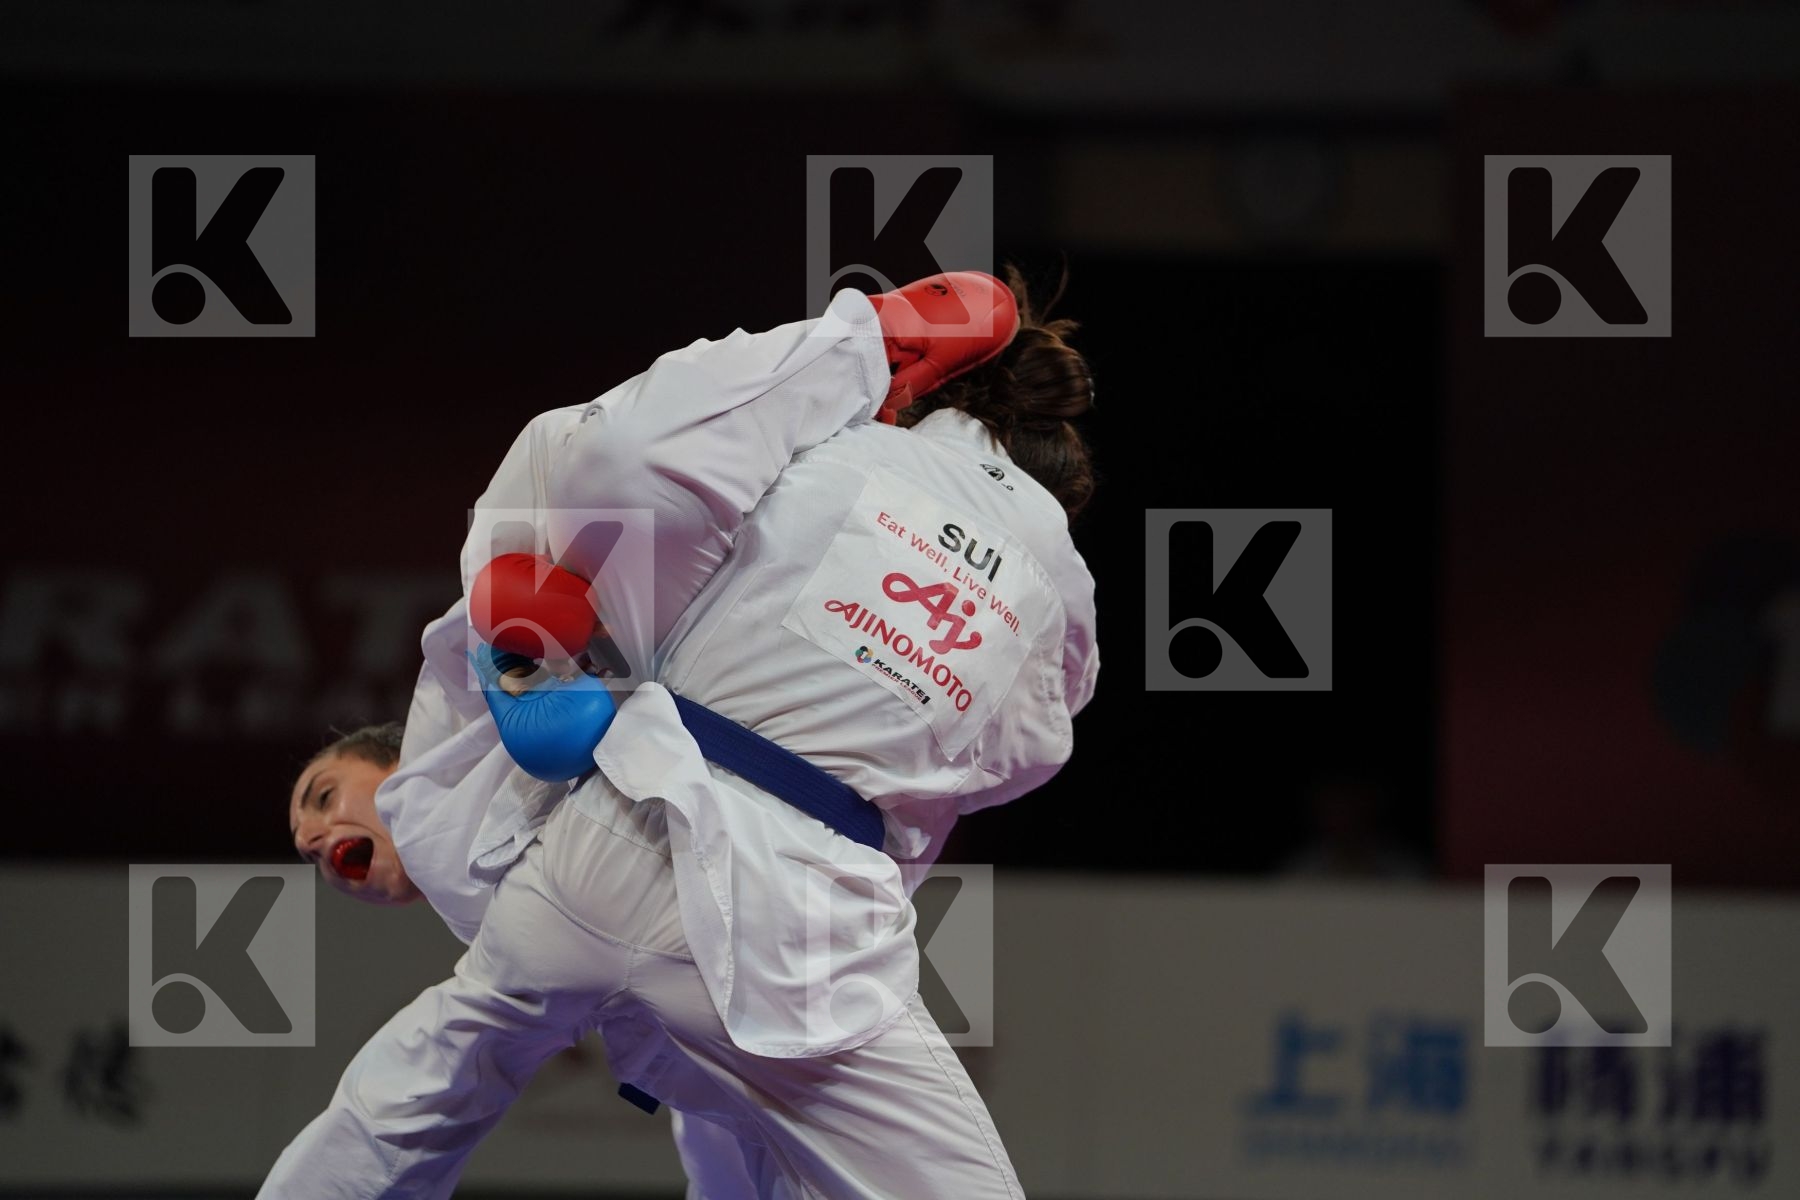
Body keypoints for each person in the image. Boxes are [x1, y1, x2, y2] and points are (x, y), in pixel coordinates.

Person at [267, 267, 1099, 1198]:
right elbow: (1032, 755)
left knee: (413, 1096)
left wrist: (859, 344)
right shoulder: (1060, 580)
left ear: (922, 394)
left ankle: (543, 663)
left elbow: (619, 453)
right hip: (804, 921)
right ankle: (554, 662)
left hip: (608, 840)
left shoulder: (833, 455)